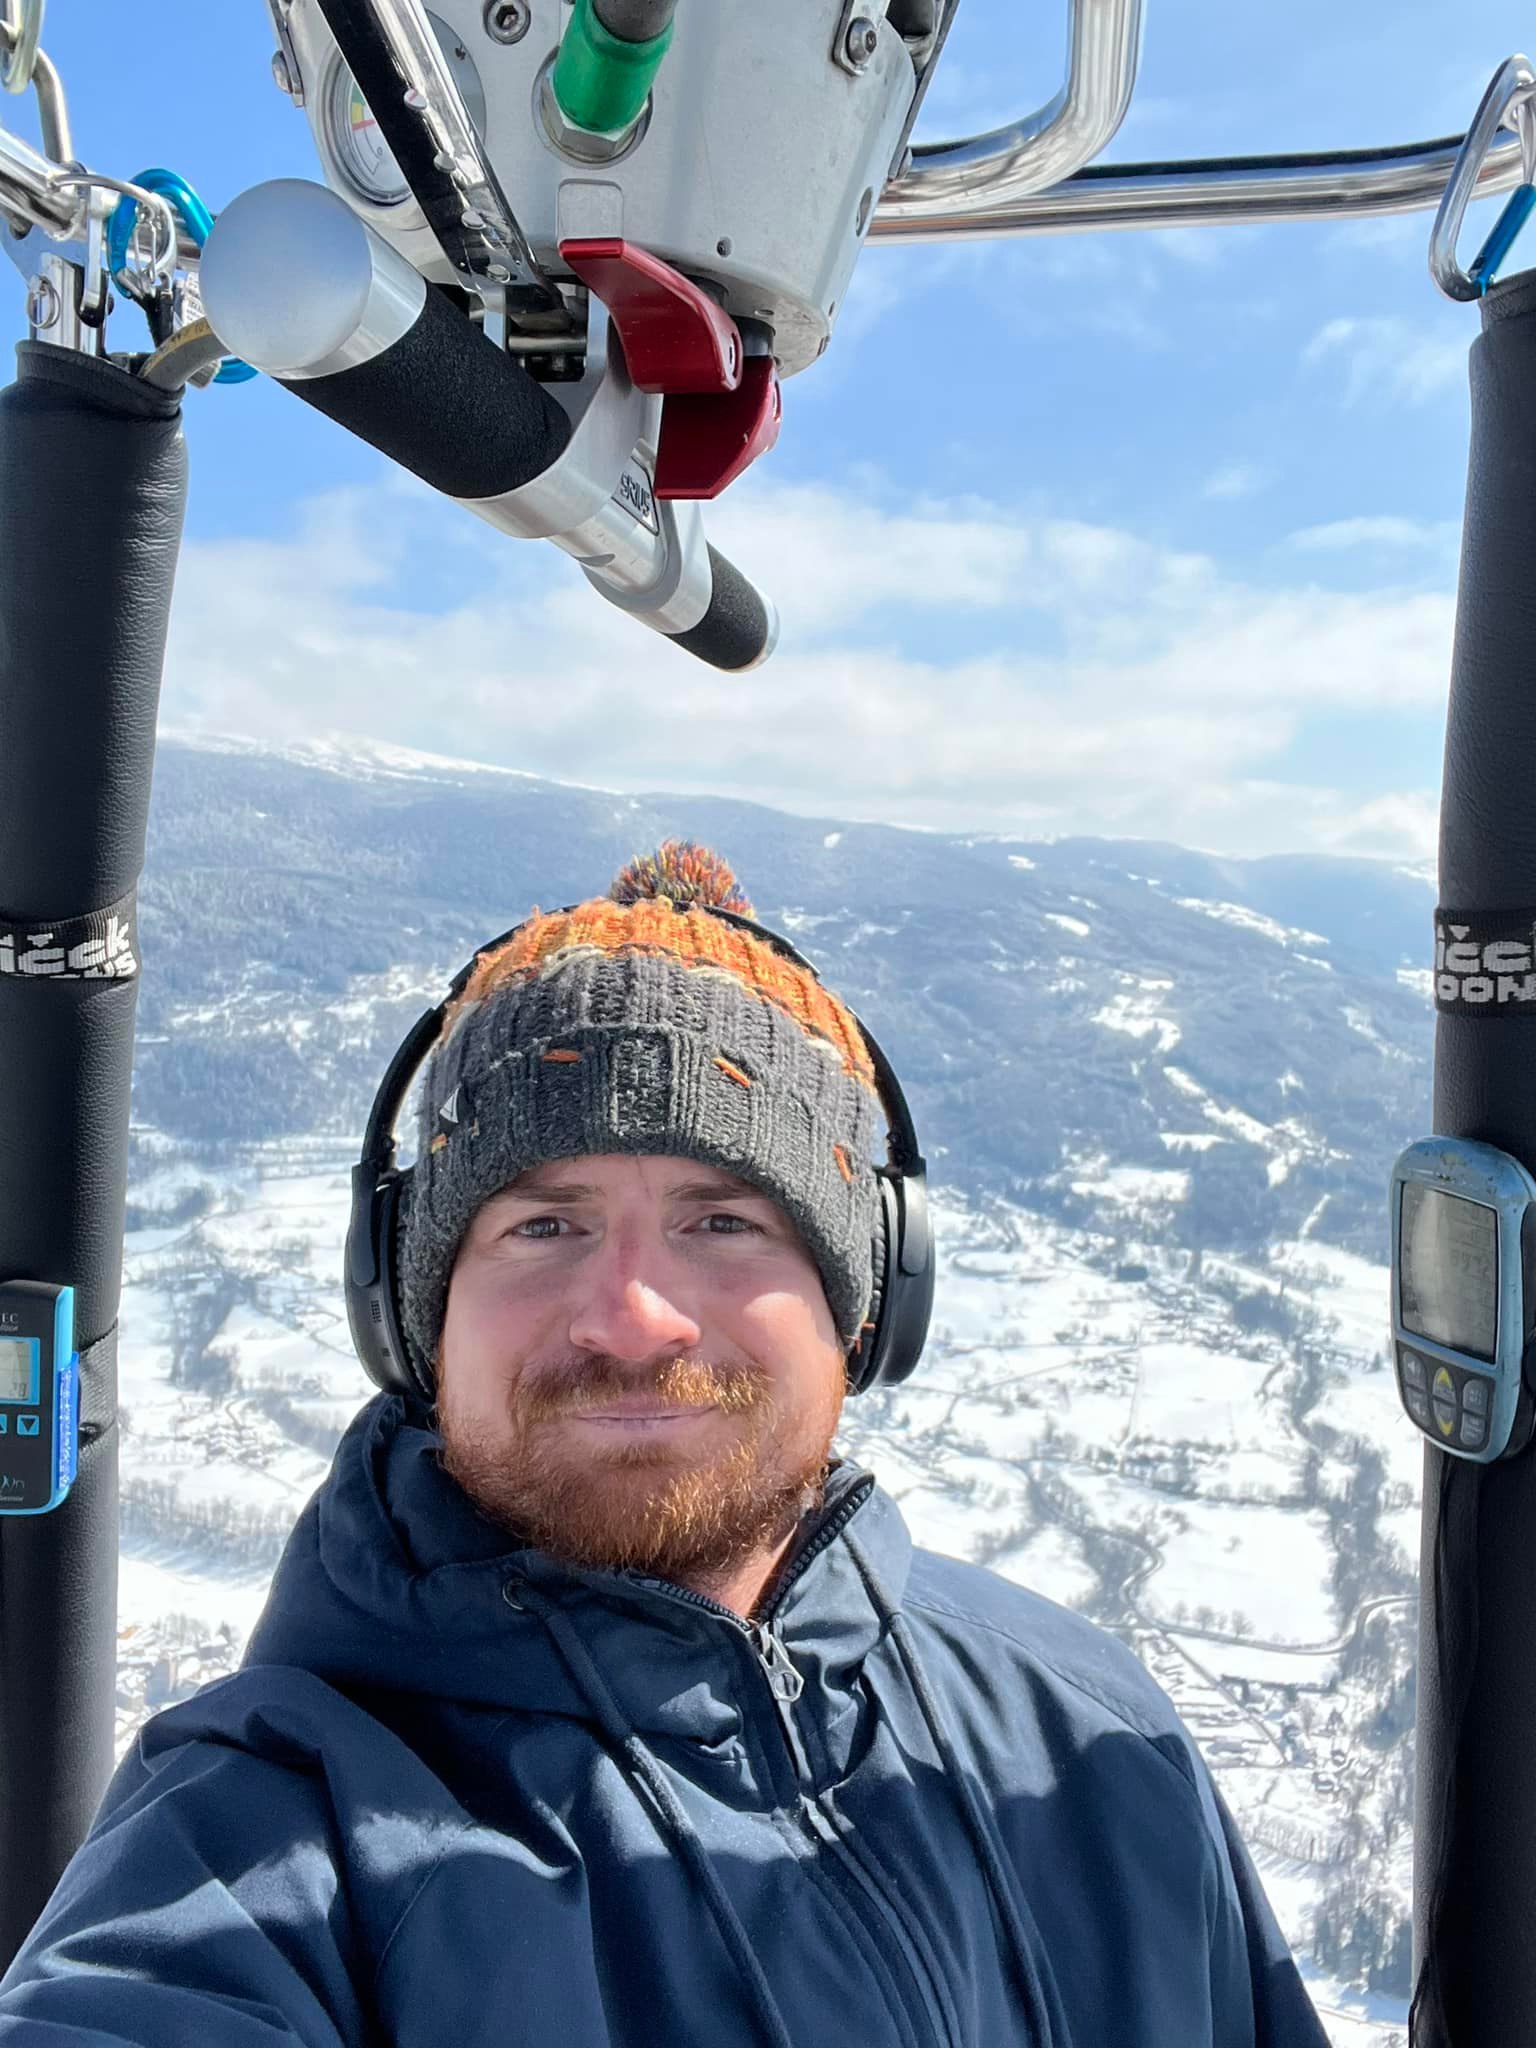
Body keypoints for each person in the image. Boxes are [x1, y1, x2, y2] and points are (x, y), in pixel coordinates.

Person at [0, 840, 1331, 2046]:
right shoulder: (260, 1843)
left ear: (865, 1307)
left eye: (724, 1222)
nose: (633, 1318)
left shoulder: (1094, 1741)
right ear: (411, 1323)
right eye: (543, 1224)